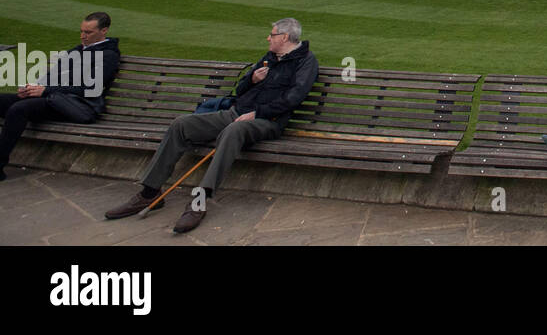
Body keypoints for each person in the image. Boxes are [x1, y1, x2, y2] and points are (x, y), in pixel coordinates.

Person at [105, 17, 319, 233]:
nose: (268, 38)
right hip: (235, 113)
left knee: (233, 130)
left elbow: (294, 97)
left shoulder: (306, 61)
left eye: (271, 35)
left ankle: (200, 200)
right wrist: (252, 79)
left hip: (267, 121)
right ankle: (149, 193)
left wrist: (257, 113)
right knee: (181, 124)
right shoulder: (270, 57)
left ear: (284, 37)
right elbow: (240, 90)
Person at [0, 12, 120, 181]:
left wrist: (46, 90)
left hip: (78, 106)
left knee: (18, 109)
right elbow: (50, 77)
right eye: (81, 31)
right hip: (54, 100)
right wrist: (31, 88)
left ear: (104, 31)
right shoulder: (76, 51)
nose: (82, 36)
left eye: (88, 32)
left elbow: (91, 89)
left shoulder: (109, 56)